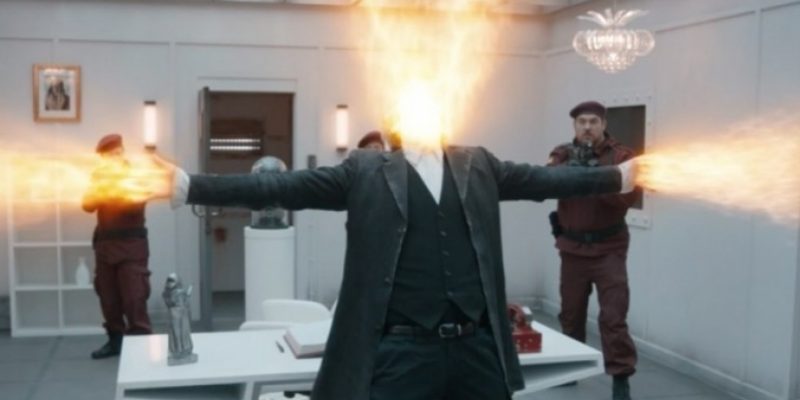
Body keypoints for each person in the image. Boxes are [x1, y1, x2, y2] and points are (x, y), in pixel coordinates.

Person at [149, 127, 638, 400]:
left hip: (476, 350)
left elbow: (545, 181)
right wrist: (193, 186)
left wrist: (617, 177)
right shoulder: (365, 170)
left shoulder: (479, 163)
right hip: (402, 354)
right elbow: (282, 186)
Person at [547, 101, 639, 400]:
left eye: (593, 121)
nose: (587, 127)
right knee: (571, 314)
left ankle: (621, 377)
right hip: (573, 249)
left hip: (608, 249)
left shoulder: (621, 157)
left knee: (613, 316)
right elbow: (545, 183)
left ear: (603, 125)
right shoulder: (562, 155)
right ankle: (570, 369)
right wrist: (568, 173)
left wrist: (596, 176)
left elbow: (627, 197)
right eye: (582, 122)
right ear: (574, 126)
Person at [82, 133, 152, 359]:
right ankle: (115, 342)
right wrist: (100, 185)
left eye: (115, 154)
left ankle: (141, 347)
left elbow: (133, 208)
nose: (112, 159)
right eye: (107, 156)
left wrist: (111, 188)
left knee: (134, 297)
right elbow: (87, 205)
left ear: (121, 153)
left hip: (131, 247)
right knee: (108, 299)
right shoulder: (99, 177)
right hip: (105, 247)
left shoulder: (136, 176)